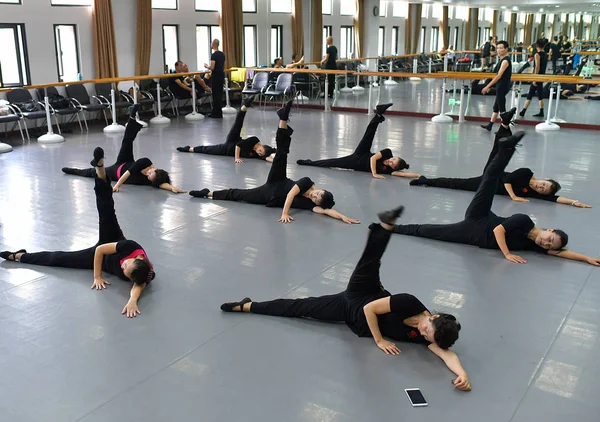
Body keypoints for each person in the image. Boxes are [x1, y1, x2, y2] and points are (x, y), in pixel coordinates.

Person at [219, 209, 471, 391]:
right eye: (427, 329)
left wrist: (462, 374)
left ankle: (248, 305)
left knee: (299, 307)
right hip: (364, 296)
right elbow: (371, 309)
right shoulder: (410, 302)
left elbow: (446, 354)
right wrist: (380, 340)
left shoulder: (435, 335)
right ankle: (385, 227)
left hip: (350, 313)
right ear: (433, 316)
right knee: (369, 263)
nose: (423, 334)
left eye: (427, 337)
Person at [395, 131, 600, 266]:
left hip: (473, 233)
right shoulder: (525, 220)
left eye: (548, 246)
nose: (545, 244)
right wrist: (508, 255)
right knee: (489, 180)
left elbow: (562, 253)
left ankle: (392, 227)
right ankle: (507, 148)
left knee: (429, 231)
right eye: (549, 239)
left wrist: (587, 258)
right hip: (481, 218)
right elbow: (498, 230)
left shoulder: (535, 245)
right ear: (550, 230)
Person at [1, 147, 155, 317]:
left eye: (125, 271)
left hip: (104, 262)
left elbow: (139, 286)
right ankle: (100, 169)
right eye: (126, 264)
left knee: (59, 259)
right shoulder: (130, 247)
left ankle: (19, 256)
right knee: (106, 209)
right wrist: (97, 277)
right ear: (138, 258)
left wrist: (132, 301)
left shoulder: (141, 275)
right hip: (110, 241)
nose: (122, 265)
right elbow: (100, 250)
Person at [189, 100, 360, 225]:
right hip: (278, 181)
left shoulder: (312, 204)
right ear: (320, 189)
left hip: (268, 195)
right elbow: (291, 194)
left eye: (315, 199)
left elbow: (326, 210)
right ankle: (283, 119)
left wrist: (343, 217)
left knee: (239, 195)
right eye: (317, 194)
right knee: (282, 154)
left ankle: (208, 193)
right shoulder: (307, 182)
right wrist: (285, 213)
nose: (313, 197)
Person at [410, 109, 591, 208]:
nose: (541, 187)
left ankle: (504, 123)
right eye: (544, 184)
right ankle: (506, 129)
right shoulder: (526, 174)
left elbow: (555, 199)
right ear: (543, 179)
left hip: (486, 182)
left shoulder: (536, 193)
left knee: (459, 181)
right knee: (497, 152)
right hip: (492, 176)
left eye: (543, 190)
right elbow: (506, 179)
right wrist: (514, 197)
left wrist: (575, 202)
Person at [62, 105, 186, 194]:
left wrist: (172, 188)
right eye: (150, 174)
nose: (148, 176)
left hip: (115, 172)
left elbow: (161, 184)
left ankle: (73, 170)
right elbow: (128, 173)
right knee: (127, 141)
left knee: (92, 173)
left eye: (149, 178)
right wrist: (116, 186)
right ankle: (132, 118)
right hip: (124, 164)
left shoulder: (152, 180)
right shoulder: (145, 162)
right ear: (155, 169)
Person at [296, 103, 417, 179]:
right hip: (363, 153)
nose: (390, 161)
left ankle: (309, 162)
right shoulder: (388, 152)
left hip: (355, 162)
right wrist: (374, 173)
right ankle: (379, 114)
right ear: (395, 156)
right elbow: (373, 158)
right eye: (393, 159)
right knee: (369, 134)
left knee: (331, 162)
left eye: (392, 164)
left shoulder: (391, 171)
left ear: (394, 168)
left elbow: (404, 174)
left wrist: (419, 176)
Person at [176, 96, 275, 163]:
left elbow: (265, 158)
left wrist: (274, 160)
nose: (258, 152)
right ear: (262, 146)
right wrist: (237, 158)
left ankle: (189, 149)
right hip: (234, 142)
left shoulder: (258, 154)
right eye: (260, 150)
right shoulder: (254, 140)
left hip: (227, 148)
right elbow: (238, 145)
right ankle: (245, 105)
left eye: (260, 153)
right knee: (238, 124)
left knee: (208, 150)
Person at [481, 40, 512, 132]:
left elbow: (499, 76)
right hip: (500, 85)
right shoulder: (502, 60)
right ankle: (490, 125)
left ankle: (505, 129)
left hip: (502, 86)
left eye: (501, 48)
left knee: (502, 110)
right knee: (496, 107)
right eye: (497, 48)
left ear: (506, 49)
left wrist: (487, 86)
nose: (499, 50)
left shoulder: (505, 61)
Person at [519, 40, 548, 118]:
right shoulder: (545, 54)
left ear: (537, 46)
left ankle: (523, 111)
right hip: (542, 75)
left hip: (537, 76)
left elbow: (537, 66)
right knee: (539, 94)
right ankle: (540, 111)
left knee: (530, 94)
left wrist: (534, 78)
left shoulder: (537, 54)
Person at [204, 39, 226, 118]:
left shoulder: (214, 55)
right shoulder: (222, 54)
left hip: (216, 75)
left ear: (213, 44)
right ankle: (218, 112)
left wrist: (207, 66)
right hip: (221, 75)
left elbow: (212, 67)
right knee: (219, 94)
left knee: (215, 94)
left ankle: (216, 112)